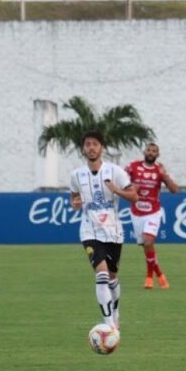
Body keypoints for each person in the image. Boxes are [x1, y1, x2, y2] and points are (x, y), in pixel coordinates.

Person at [69, 131, 138, 330]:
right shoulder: (76, 175)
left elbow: (134, 196)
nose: (91, 147)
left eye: (95, 144)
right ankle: (108, 324)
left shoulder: (115, 171)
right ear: (83, 149)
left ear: (102, 148)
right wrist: (75, 203)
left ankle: (115, 312)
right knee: (102, 275)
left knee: (113, 277)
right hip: (89, 230)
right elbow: (73, 199)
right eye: (88, 144)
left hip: (113, 231)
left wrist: (117, 190)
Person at [125, 142, 180, 289]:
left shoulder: (159, 171)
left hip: (153, 212)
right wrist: (131, 188)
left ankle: (149, 277)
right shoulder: (133, 167)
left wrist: (165, 176)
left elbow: (175, 190)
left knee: (148, 242)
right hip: (136, 212)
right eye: (148, 150)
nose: (150, 152)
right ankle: (160, 274)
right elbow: (120, 182)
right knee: (146, 247)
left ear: (158, 155)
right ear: (144, 152)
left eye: (154, 151)